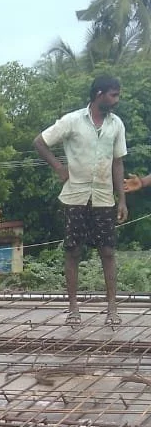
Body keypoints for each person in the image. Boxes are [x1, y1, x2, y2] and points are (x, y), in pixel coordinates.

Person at [33, 75, 128, 328]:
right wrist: (59, 168)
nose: (116, 100)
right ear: (99, 95)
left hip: (104, 198)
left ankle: (112, 308)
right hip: (75, 196)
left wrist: (122, 199)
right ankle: (73, 308)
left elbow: (118, 163)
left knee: (107, 251)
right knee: (73, 251)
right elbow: (40, 142)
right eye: (113, 95)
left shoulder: (116, 124)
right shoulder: (72, 121)